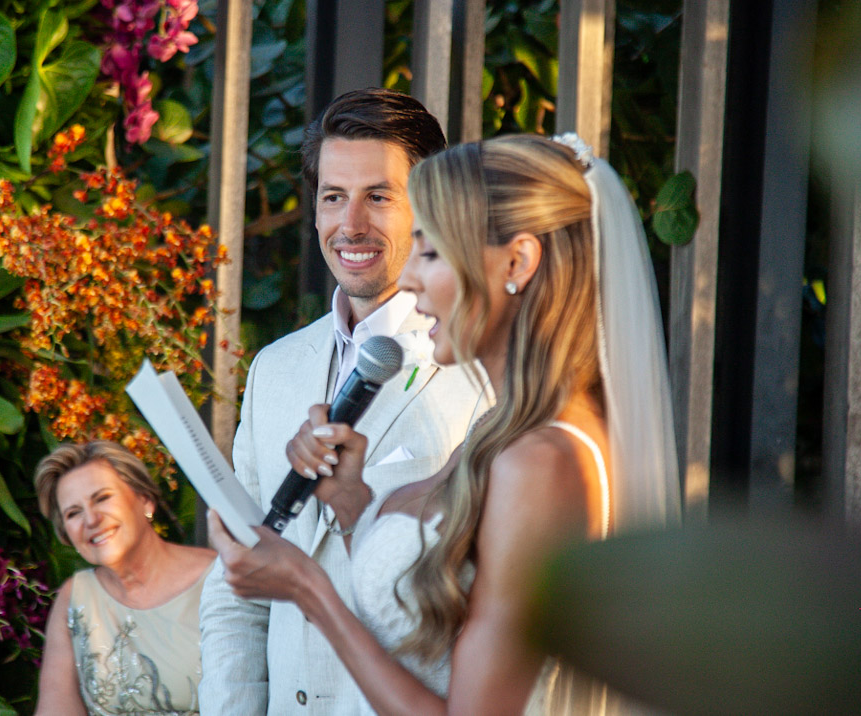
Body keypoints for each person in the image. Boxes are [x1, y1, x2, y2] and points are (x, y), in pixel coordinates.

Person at [208, 134, 682, 715]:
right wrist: (353, 500)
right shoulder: (504, 431)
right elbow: (434, 624)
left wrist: (309, 590)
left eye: (431, 253)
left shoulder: (543, 460)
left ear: (518, 262)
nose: (408, 281)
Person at [198, 88, 492, 715]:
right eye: (334, 197)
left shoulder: (482, 376)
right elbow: (235, 589)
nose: (351, 225)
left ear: (432, 208)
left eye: (378, 197)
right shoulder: (274, 369)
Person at [34, 441, 215, 716]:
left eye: (102, 498)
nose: (91, 519)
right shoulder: (76, 597)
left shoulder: (220, 579)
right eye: (73, 513)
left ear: (145, 499)